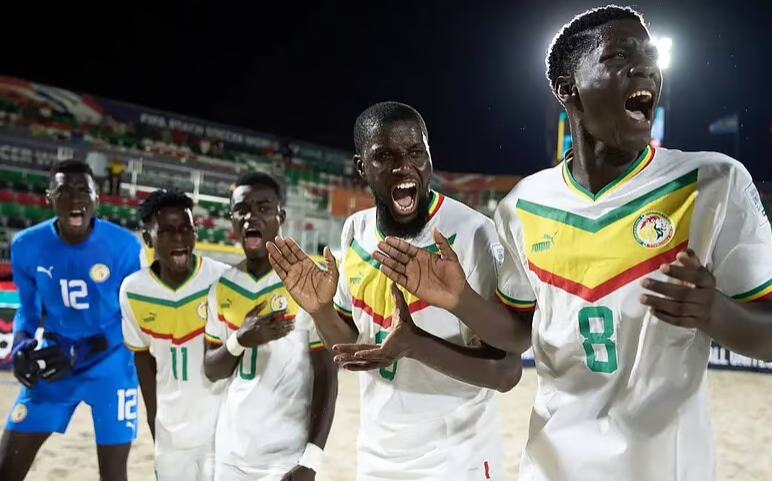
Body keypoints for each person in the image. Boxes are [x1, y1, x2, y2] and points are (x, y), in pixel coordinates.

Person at [371, 6, 772, 481]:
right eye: (619, 55)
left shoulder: (713, 183)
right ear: (568, 88)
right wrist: (461, 301)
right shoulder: (523, 206)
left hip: (668, 469)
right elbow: (519, 333)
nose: (645, 66)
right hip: (551, 466)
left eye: (650, 56)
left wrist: (714, 312)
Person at [267, 101, 521, 481]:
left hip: (458, 459)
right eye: (385, 155)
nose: (404, 167)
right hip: (377, 457)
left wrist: (417, 346)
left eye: (416, 152)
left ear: (430, 156)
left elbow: (506, 373)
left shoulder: (473, 234)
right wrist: (321, 311)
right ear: (360, 167)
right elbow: (350, 342)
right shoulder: (355, 231)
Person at [0, 159, 144, 481]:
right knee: (6, 468)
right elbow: (27, 308)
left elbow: (133, 314)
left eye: (84, 190)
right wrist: (22, 344)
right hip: (55, 359)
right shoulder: (26, 244)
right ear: (49, 197)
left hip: (112, 364)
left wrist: (86, 348)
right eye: (65, 190)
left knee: (114, 473)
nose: (75, 198)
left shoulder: (124, 246)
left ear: (97, 198)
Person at [203, 172, 338, 481]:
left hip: (285, 458)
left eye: (263, 207)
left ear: (281, 216)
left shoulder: (307, 283)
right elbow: (212, 370)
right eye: (242, 209)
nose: (252, 216)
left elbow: (326, 375)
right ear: (233, 219)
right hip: (230, 452)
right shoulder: (222, 287)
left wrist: (311, 459)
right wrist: (240, 339)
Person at [120, 188, 230, 481]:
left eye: (186, 228)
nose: (180, 237)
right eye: (167, 231)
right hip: (170, 430)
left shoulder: (221, 279)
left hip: (221, 427)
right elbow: (143, 360)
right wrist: (154, 421)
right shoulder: (133, 291)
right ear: (148, 239)